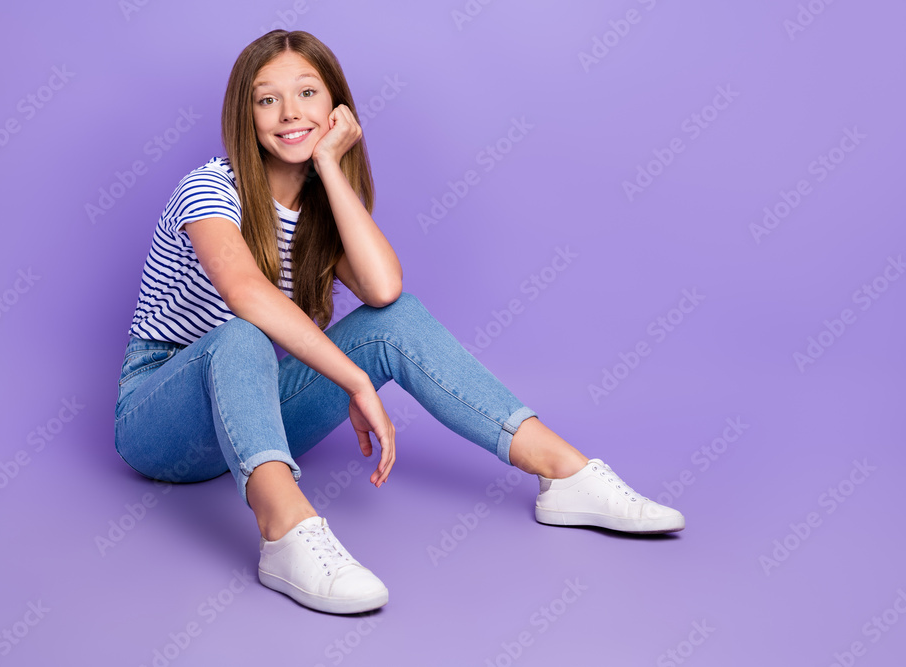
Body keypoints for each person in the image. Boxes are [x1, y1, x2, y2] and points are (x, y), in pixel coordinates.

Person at [114, 29, 684, 615]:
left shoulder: (317, 209)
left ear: (336, 107)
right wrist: (356, 381)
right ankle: (285, 532)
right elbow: (246, 294)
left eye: (307, 93)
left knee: (397, 318)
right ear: (245, 114)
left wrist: (331, 168)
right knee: (240, 333)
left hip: (249, 412)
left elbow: (386, 290)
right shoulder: (210, 187)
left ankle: (563, 475)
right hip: (159, 421)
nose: (290, 113)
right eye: (267, 99)